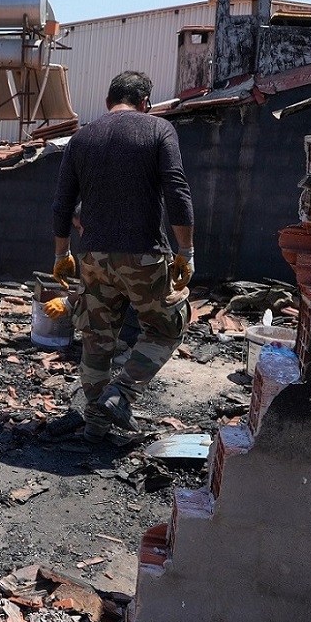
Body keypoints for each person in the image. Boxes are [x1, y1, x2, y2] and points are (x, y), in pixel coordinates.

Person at [50, 70, 194, 442]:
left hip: (93, 258)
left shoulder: (81, 138)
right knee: (167, 327)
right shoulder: (158, 130)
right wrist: (186, 252)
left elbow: (62, 203)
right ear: (145, 103)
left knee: (97, 338)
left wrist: (62, 253)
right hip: (144, 255)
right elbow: (177, 190)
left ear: (107, 101)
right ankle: (121, 394)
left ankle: (96, 426)